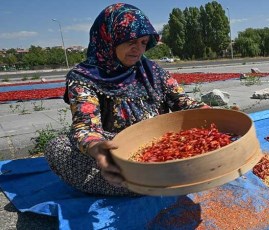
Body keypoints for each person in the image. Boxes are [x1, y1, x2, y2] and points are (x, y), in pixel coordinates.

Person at [45, 3, 209, 196]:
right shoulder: (84, 77)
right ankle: (155, 180)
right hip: (119, 149)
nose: (138, 49)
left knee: (197, 133)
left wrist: (210, 111)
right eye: (131, 41)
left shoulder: (152, 71)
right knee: (57, 147)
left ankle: (153, 181)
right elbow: (86, 126)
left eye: (143, 42)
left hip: (161, 142)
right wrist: (97, 148)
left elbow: (181, 101)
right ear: (110, 37)